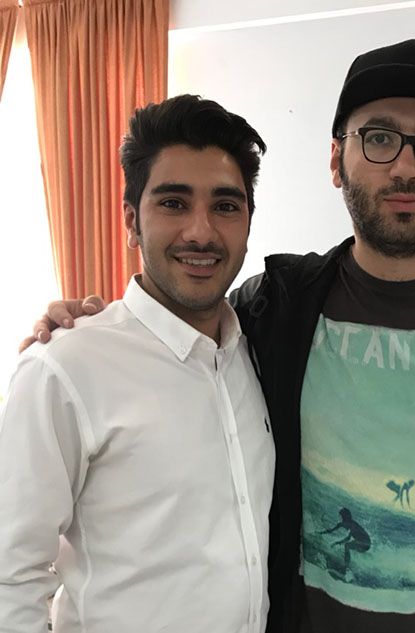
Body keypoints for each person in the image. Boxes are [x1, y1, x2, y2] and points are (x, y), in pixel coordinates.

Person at [22, 40, 415, 633]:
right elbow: (178, 322)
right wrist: (87, 328)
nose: (405, 167)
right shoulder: (274, 307)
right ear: (335, 162)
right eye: (379, 138)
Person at [0, 95, 274, 632]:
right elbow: (11, 574)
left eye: (225, 206)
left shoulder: (258, 349)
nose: (201, 232)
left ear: (247, 221)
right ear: (131, 220)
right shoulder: (66, 367)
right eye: (173, 203)